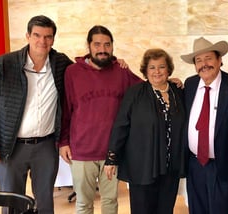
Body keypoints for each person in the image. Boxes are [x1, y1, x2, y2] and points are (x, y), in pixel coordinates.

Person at [0, 15, 73, 214]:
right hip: (10, 146)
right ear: (27, 36)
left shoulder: (60, 64)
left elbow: (84, 70)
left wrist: (114, 60)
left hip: (45, 146)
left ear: (53, 39)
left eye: (47, 37)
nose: (42, 41)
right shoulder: (4, 64)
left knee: (45, 203)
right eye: (37, 35)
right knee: (11, 204)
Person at [58, 25, 142, 214]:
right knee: (83, 203)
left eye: (107, 45)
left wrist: (171, 84)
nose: (102, 49)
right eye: (97, 44)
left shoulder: (121, 71)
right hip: (81, 150)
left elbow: (145, 90)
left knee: (110, 202)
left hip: (112, 152)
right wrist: (63, 141)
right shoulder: (72, 72)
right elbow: (66, 109)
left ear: (112, 46)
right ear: (88, 46)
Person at [104, 48, 186, 214]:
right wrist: (112, 158)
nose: (157, 71)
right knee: (143, 209)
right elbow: (121, 125)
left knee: (165, 209)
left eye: (161, 67)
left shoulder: (178, 91)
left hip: (170, 166)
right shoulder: (135, 93)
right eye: (152, 67)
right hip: (142, 165)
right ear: (145, 71)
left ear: (168, 69)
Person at [181, 37, 228, 214]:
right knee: (197, 210)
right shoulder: (189, 85)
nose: (204, 64)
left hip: (224, 166)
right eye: (198, 60)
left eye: (209, 58)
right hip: (195, 165)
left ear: (220, 60)